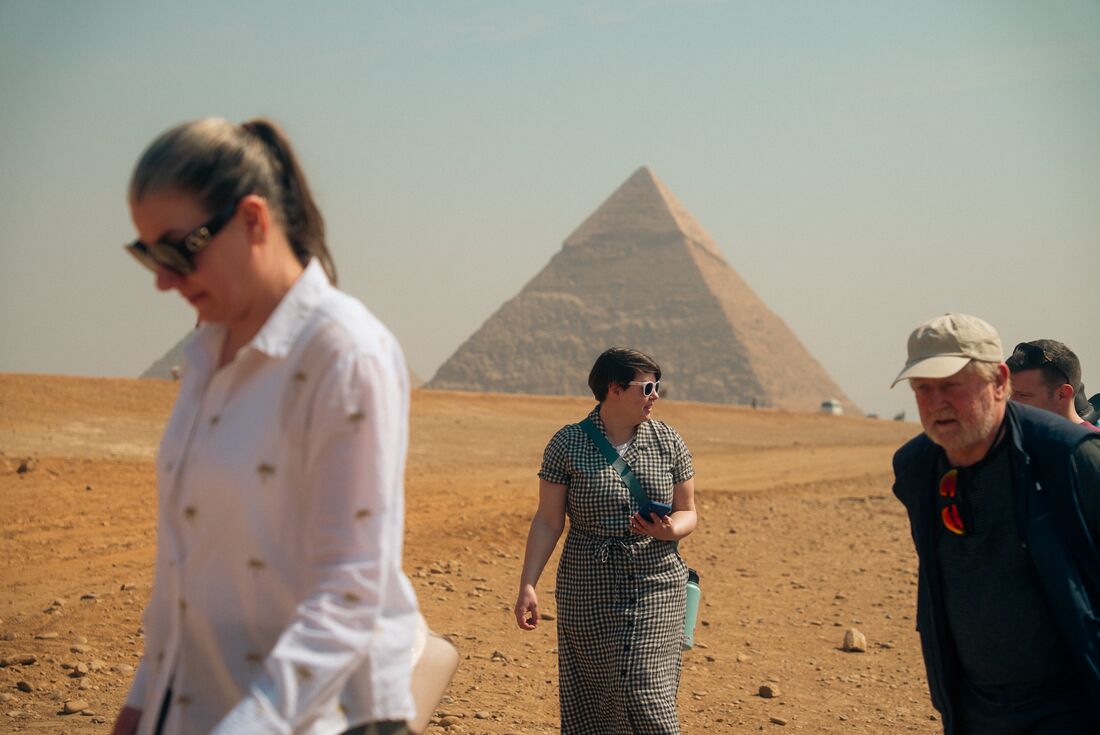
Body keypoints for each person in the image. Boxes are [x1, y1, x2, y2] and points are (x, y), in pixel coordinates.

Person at [111, 118, 419, 735]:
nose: (163, 279)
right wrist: (141, 707)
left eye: (177, 250)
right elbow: (188, 574)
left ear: (252, 219)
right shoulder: (207, 354)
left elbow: (348, 594)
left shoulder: (344, 355)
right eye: (147, 254)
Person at [889, 313, 1100, 734]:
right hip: (973, 707)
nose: (936, 402)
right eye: (923, 388)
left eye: (952, 385)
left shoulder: (1070, 457)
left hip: (1071, 704)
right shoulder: (917, 468)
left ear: (1000, 382)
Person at [514, 348, 698, 734]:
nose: (655, 395)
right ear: (614, 389)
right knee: (596, 696)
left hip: (656, 580)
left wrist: (669, 530)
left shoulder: (668, 441)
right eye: (646, 387)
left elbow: (688, 511)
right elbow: (548, 520)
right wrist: (528, 583)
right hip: (587, 585)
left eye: (657, 386)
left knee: (643, 688)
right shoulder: (567, 444)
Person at [1005, 339, 1100, 431]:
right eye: (1010, 393)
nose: (1011, 402)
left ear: (1062, 394)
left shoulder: (1091, 441)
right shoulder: (1013, 437)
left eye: (1024, 395)